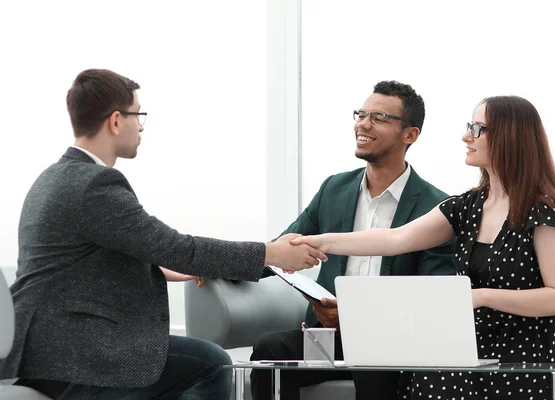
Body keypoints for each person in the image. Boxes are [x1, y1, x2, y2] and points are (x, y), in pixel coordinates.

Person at [0, 68, 327, 400]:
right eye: (137, 115)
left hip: (42, 354)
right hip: (72, 360)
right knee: (211, 362)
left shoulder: (52, 178)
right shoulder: (95, 184)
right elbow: (176, 247)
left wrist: (168, 270)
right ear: (115, 121)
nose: (141, 126)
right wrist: (271, 252)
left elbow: (85, 262)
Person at [292, 95, 555, 399]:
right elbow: (395, 238)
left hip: (542, 343)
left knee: (444, 384)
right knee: (427, 380)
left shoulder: (541, 211)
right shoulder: (469, 206)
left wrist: (479, 297)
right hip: (484, 338)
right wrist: (320, 241)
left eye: (478, 129)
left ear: (508, 136)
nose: (466, 136)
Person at [250, 81, 456, 400]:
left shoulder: (436, 208)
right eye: (361, 114)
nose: (363, 123)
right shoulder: (335, 189)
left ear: (410, 134)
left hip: (391, 345)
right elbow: (282, 248)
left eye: (379, 117)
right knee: (270, 348)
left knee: (372, 363)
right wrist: (216, 266)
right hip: (327, 338)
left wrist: (357, 316)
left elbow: (431, 293)